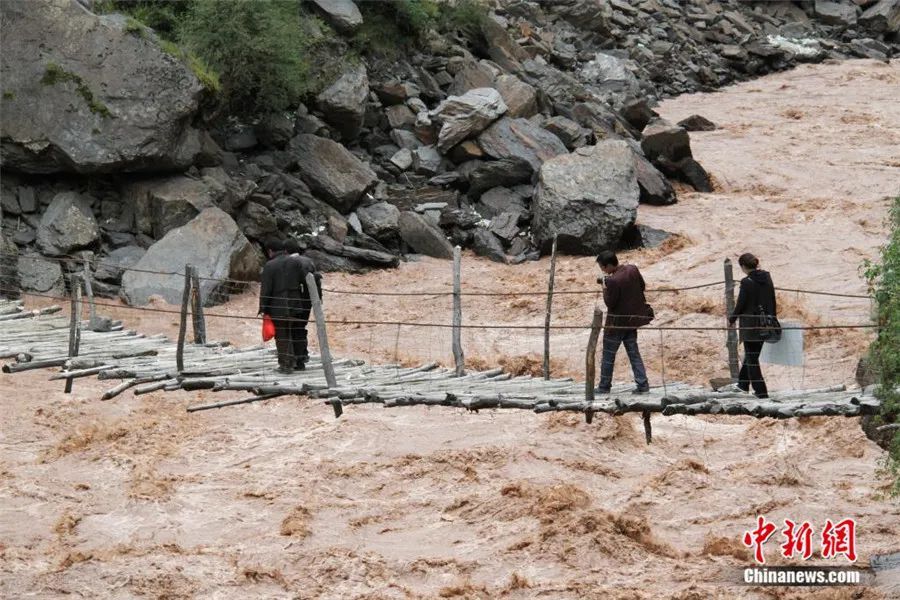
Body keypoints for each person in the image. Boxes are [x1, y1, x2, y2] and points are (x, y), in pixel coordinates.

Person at [594, 251, 650, 395]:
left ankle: (604, 386)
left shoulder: (612, 281)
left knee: (608, 356)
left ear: (608, 265)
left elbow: (609, 303)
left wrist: (604, 286)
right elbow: (642, 286)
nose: (603, 270)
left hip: (615, 324)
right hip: (631, 322)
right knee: (634, 354)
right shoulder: (632, 269)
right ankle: (642, 384)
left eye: (602, 267)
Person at [728, 253, 776, 398]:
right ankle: (743, 385)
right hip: (766, 323)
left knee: (752, 358)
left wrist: (732, 319)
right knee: (751, 355)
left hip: (750, 324)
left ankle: (761, 391)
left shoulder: (746, 282)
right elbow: (772, 299)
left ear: (743, 266)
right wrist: (773, 318)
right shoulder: (767, 277)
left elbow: (741, 304)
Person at [258, 238, 306, 374]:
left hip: (277, 306)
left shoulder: (269, 266)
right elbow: (303, 280)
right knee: (293, 333)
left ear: (270, 251)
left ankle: (286, 365)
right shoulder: (295, 262)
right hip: (295, 304)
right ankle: (297, 362)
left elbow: (266, 289)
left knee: (282, 336)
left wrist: (263, 308)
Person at [283, 239, 323, 371]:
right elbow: (316, 282)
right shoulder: (309, 261)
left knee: (291, 329)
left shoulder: (288, 263)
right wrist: (317, 300)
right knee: (300, 328)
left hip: (294, 302)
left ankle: (295, 359)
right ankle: (302, 357)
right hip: (308, 301)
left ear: (285, 251)